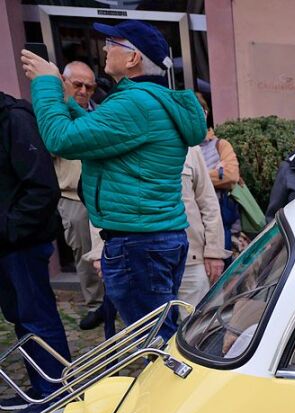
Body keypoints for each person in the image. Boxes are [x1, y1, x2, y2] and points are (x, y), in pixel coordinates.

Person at [22, 20, 207, 340]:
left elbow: (60, 139)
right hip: (155, 236)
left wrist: (46, 85)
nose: (105, 48)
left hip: (138, 241)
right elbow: (98, 133)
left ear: (133, 58)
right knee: (162, 326)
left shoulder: (134, 103)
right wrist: (67, 100)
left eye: (112, 42)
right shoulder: (149, 99)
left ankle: (171, 385)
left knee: (155, 337)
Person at [0, 90, 73, 413]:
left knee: (36, 315)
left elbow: (42, 187)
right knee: (21, 316)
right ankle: (42, 385)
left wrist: (11, 230)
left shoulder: (15, 118)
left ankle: (57, 391)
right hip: (10, 242)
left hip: (23, 242)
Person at [52, 61, 104, 330]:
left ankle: (116, 301)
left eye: (89, 86)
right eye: (78, 85)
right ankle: (96, 305)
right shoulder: (57, 117)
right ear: (64, 82)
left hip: (107, 196)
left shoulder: (103, 112)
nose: (84, 91)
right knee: (85, 255)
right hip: (74, 198)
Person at [176, 146, 226, 306]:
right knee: (155, 326)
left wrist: (214, 251)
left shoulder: (190, 148)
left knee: (201, 326)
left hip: (192, 258)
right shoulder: (123, 140)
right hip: (144, 259)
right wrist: (101, 252)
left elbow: (209, 203)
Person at [195, 92, 240, 252]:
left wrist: (194, 177)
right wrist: (214, 173)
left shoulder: (220, 145)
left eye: (198, 110)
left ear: (205, 113)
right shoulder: (177, 148)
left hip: (220, 218)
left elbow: (230, 175)